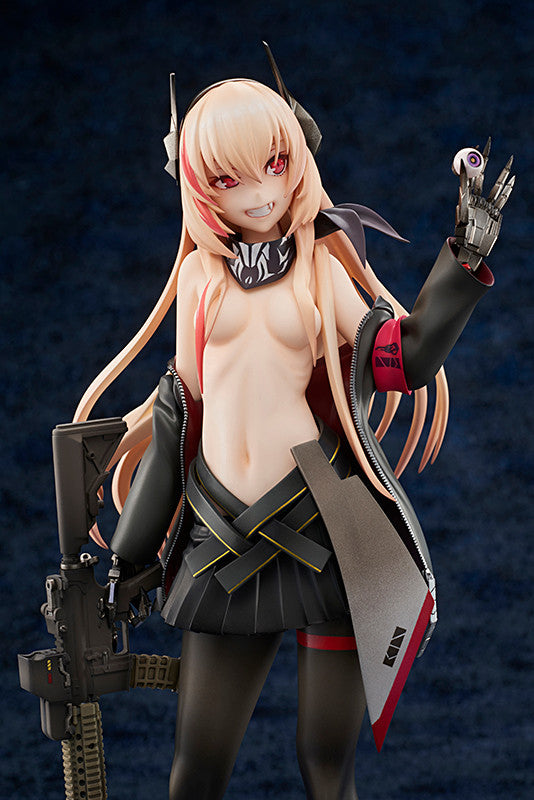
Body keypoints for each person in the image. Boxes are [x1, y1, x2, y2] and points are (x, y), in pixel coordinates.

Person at [73, 55, 513, 800]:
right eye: (228, 177)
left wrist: (462, 263)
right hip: (223, 536)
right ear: (196, 183)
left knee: (325, 762)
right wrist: (128, 554)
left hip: (327, 534)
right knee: (197, 768)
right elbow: (180, 413)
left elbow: (400, 359)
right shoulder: (199, 279)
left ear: (298, 158)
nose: (260, 192)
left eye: (275, 165)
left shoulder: (319, 269)